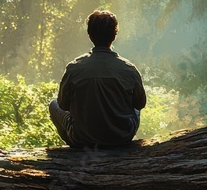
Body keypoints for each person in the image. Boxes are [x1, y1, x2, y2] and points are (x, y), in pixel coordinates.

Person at [49, 9, 146, 149]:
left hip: (82, 138)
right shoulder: (129, 69)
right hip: (121, 138)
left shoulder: (74, 67)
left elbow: (63, 105)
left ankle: (75, 147)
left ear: (90, 35)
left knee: (53, 105)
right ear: (114, 35)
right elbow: (140, 104)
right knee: (136, 110)